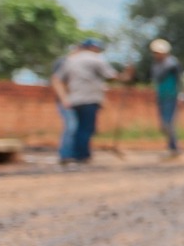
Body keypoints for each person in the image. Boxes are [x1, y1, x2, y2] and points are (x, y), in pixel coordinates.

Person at [51, 39, 133, 167]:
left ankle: (74, 155)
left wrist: (64, 98)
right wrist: (126, 75)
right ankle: (82, 156)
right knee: (86, 128)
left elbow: (57, 79)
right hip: (89, 99)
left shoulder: (70, 60)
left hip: (74, 100)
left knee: (77, 128)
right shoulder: (96, 59)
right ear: (93, 48)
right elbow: (111, 76)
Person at [150, 39, 183, 157]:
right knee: (163, 124)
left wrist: (181, 94)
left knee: (168, 123)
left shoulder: (172, 64)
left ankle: (173, 147)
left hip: (171, 95)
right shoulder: (157, 65)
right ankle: (172, 146)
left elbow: (180, 80)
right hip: (162, 96)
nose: (156, 55)